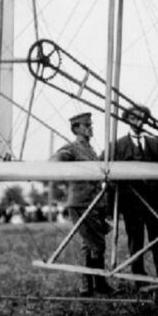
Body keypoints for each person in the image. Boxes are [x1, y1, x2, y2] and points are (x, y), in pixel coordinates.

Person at [50, 112, 114, 297]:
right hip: (81, 202)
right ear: (76, 128)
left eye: (90, 125)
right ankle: (94, 284)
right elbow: (55, 161)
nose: (90, 128)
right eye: (86, 125)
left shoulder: (90, 150)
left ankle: (91, 285)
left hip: (94, 202)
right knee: (96, 245)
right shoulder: (72, 148)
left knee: (89, 244)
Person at [112, 104, 158, 283]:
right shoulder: (118, 145)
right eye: (133, 117)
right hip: (131, 203)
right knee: (135, 240)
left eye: (142, 117)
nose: (138, 121)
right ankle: (139, 278)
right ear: (127, 119)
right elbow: (107, 173)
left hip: (154, 202)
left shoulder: (155, 143)